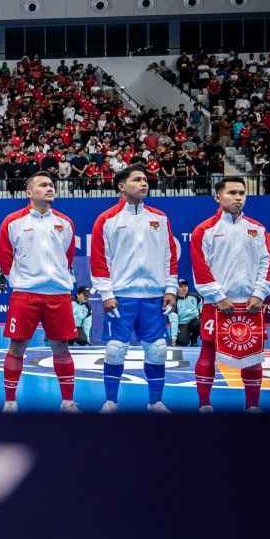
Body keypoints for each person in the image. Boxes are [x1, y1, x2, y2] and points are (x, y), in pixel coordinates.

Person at [89, 166, 179, 412]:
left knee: (157, 350)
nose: (143, 184)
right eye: (137, 180)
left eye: (145, 180)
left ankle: (156, 402)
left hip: (154, 297)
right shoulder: (106, 219)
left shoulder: (160, 218)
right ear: (121, 186)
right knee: (115, 350)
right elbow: (99, 260)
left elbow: (169, 256)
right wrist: (106, 293)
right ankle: (110, 401)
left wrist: (170, 289)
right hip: (121, 296)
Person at [0, 171, 80, 412]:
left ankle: (67, 402)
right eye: (43, 185)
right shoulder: (13, 221)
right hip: (25, 295)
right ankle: (10, 402)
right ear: (29, 192)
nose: (50, 188)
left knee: (62, 349)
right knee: (17, 348)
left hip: (58, 296)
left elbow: (67, 257)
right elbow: (4, 258)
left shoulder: (65, 223)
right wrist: (22, 280)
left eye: (52, 185)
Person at [190, 177, 270, 412]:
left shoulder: (257, 228)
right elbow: (200, 267)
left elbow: (268, 263)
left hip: (251, 304)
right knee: (207, 352)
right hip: (216, 304)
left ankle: (252, 406)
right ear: (218, 197)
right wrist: (218, 296)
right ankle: (204, 405)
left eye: (242, 193)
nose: (238, 197)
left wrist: (259, 294)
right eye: (232, 193)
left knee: (254, 355)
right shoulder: (204, 230)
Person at [174, 280, 202, 346]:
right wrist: (173, 338)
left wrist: (193, 312)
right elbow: (174, 319)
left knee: (201, 323)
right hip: (181, 323)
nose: (184, 288)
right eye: (181, 286)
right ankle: (185, 333)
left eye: (186, 286)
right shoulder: (174, 300)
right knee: (182, 342)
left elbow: (199, 304)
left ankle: (193, 339)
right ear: (176, 288)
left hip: (193, 320)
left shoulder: (194, 296)